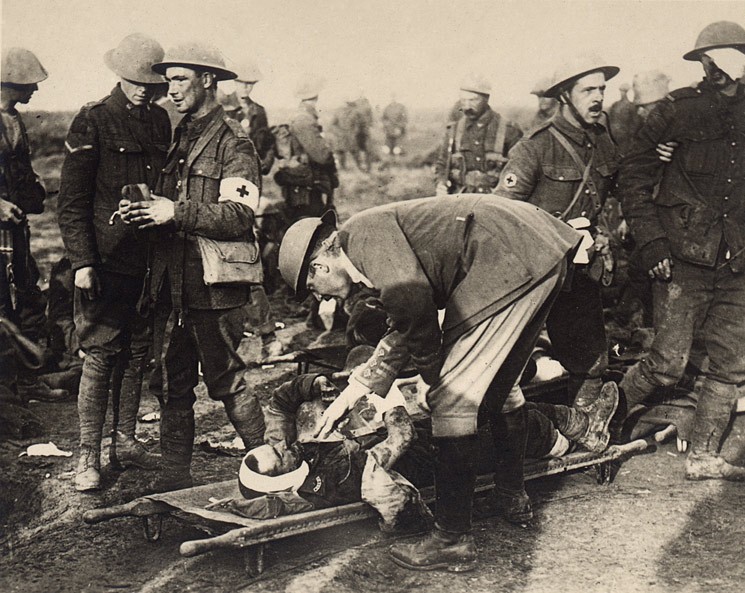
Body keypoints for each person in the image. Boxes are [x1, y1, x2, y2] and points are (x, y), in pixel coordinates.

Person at [276, 194, 618, 571]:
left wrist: (433, 379)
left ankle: (452, 540)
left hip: (508, 260)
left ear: (319, 266)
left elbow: (414, 311)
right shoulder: (367, 240)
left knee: (451, 401)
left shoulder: (364, 239)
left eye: (313, 289)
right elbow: (404, 324)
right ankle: (511, 495)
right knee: (500, 389)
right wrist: (353, 393)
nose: (320, 297)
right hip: (535, 254)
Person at [118, 42, 266, 492]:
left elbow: (240, 216)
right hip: (172, 283)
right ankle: (174, 480)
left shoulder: (233, 141)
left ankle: (276, 468)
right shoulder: (179, 136)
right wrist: (143, 211)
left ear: (208, 80)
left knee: (226, 381)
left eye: (180, 78)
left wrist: (175, 212)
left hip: (213, 287)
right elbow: (169, 204)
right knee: (171, 382)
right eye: (168, 80)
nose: (171, 88)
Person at [230, 360, 618, 527]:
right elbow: (400, 438)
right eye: (277, 456)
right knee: (522, 421)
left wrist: (311, 384)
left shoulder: (297, 458)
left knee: (502, 405)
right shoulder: (334, 478)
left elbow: (280, 403)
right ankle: (582, 436)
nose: (282, 448)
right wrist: (388, 404)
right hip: (442, 459)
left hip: (432, 439)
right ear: (280, 479)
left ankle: (582, 425)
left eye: (275, 447)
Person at [617, 21, 745, 481]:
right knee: (667, 364)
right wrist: (651, 241)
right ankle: (602, 428)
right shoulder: (679, 110)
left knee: (730, 367)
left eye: (724, 58)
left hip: (736, 261)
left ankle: (704, 455)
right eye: (708, 60)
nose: (716, 68)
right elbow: (632, 171)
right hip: (681, 257)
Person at [57, 34, 171, 491]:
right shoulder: (93, 120)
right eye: (135, 81)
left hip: (149, 259)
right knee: (102, 354)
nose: (144, 89)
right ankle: (88, 456)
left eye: (151, 82)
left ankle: (124, 440)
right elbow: (72, 201)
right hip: (107, 260)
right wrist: (82, 260)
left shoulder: (161, 121)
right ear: (118, 77)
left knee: (138, 352)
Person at [495, 55, 621, 412]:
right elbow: (500, 214)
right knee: (506, 362)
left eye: (602, 89)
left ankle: (582, 431)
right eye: (587, 90)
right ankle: (510, 440)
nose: (597, 97)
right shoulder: (534, 147)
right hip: (533, 273)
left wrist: (603, 234)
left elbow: (616, 192)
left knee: (590, 363)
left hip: (578, 273)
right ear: (565, 95)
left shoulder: (603, 143)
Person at [1, 47, 67, 406]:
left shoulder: (15, 120)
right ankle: (7, 391)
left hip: (17, 232)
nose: (35, 91)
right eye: (29, 84)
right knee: (2, 309)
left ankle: (26, 383)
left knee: (27, 300)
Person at [435, 74, 522, 195]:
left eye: (473, 100)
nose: (467, 106)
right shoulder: (454, 130)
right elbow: (442, 164)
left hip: (496, 200)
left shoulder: (508, 130)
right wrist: (441, 184)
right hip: (460, 198)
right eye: (463, 100)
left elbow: (520, 169)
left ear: (486, 99)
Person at [273, 78, 337, 222]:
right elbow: (322, 156)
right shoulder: (305, 119)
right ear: (316, 95)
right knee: (310, 228)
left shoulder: (300, 116)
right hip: (306, 188)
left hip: (302, 184)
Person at [232, 62, 275, 175]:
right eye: (242, 82)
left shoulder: (259, 111)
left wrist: (266, 163)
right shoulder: (223, 107)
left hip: (251, 173)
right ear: (235, 82)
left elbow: (268, 143)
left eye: (250, 83)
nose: (246, 87)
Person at [608, 82, 640, 154]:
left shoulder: (631, 106)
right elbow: (610, 119)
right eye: (621, 91)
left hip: (626, 138)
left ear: (627, 92)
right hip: (614, 136)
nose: (622, 93)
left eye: (624, 91)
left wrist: (631, 137)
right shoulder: (615, 105)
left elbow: (635, 123)